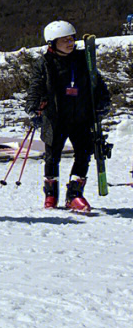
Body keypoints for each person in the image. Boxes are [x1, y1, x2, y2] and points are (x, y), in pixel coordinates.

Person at [24, 20, 110, 211]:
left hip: (81, 115)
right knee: (52, 157)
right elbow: (35, 85)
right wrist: (33, 106)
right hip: (55, 118)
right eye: (64, 40)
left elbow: (98, 82)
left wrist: (103, 102)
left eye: (71, 39)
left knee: (83, 154)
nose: (70, 43)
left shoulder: (83, 59)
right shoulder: (45, 62)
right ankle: (51, 194)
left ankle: (74, 195)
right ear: (52, 43)